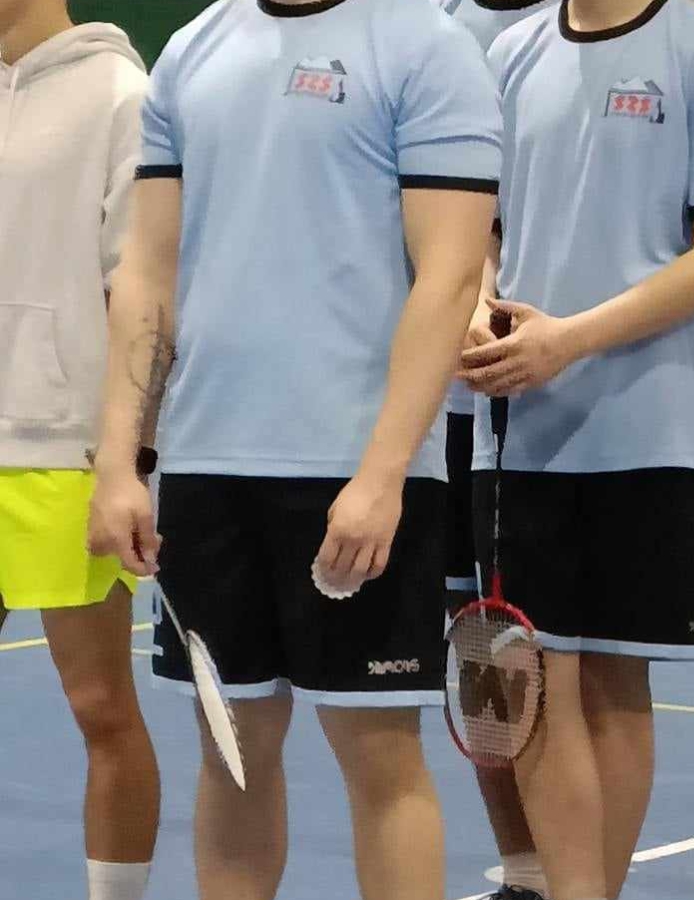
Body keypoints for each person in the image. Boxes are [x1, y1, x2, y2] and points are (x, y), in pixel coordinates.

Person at [86, 0, 501, 898]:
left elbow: (450, 274)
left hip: (356, 471)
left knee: (379, 757)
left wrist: (384, 473)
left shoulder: (425, 47)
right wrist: (122, 460)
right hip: (206, 470)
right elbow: (147, 271)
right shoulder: (193, 51)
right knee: (230, 752)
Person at [460, 0, 694, 896]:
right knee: (530, 686)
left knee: (611, 687)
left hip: (649, 431)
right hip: (517, 438)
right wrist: (477, 306)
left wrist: (570, 341)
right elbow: (479, 233)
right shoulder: (509, 56)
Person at [0, 3, 159, 899]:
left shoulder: (121, 94)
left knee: (100, 707)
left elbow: (140, 292)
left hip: (65, 454)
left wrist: (125, 459)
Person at [437, 5, 555, 899]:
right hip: (429, 411)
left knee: (547, 659)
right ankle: (525, 875)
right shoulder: (430, 28)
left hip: (531, 408)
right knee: (475, 648)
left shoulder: (562, 36)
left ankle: (570, 872)